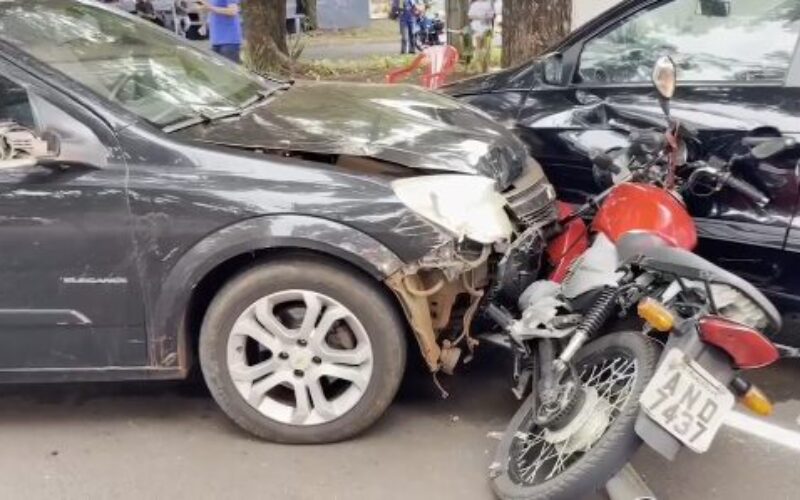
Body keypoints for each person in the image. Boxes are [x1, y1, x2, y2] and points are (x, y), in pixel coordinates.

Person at [467, 0, 495, 72]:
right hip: (477, 28)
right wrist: (479, 17)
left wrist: (486, 16)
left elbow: (492, 14)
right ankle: (477, 66)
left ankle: (486, 66)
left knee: (486, 48)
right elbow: (470, 15)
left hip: (487, 28)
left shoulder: (489, 3)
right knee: (478, 47)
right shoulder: (474, 4)